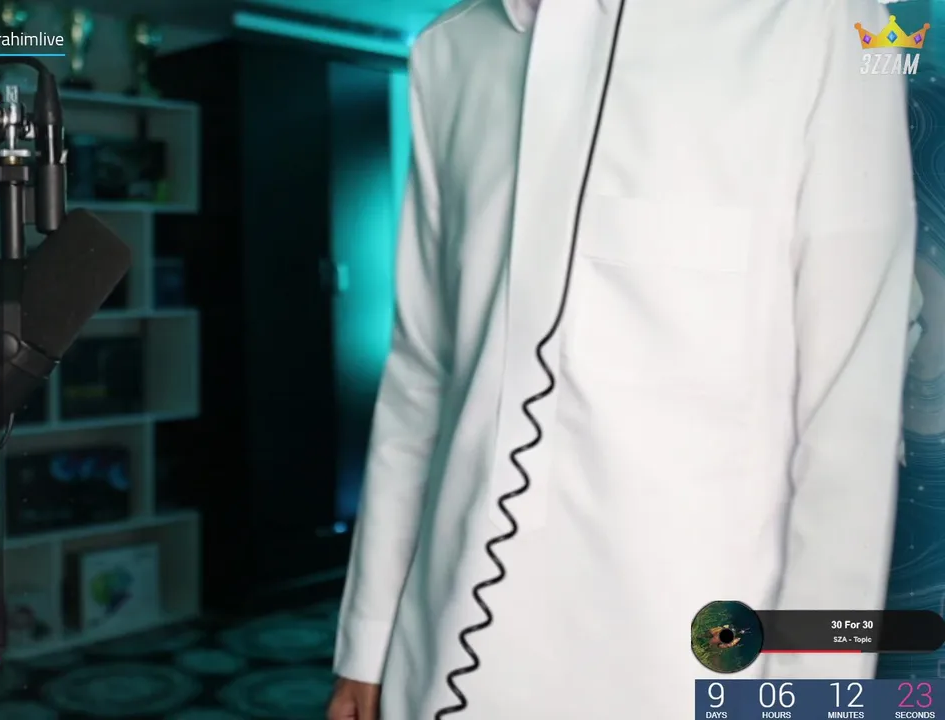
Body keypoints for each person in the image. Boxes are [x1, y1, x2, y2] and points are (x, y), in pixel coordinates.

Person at [328, 0, 918, 717]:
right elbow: (421, 373)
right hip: (441, 647)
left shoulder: (825, 22)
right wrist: (368, 645)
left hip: (687, 656)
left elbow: (851, 412)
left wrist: (812, 694)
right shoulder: (448, 50)